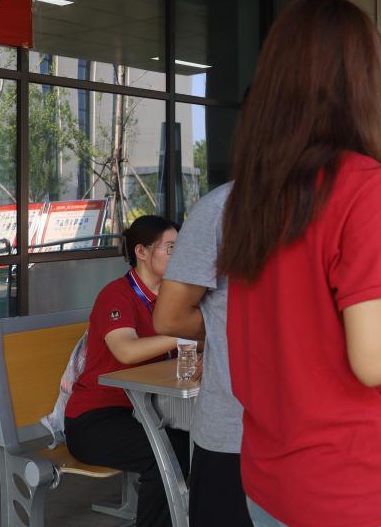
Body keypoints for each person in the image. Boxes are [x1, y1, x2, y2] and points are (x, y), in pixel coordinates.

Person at [218, 0, 381, 527]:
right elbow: (374, 362)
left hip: (270, 477)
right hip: (357, 483)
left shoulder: (250, 197)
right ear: (359, 84)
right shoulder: (365, 187)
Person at [65, 215, 189, 527]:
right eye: (170, 248)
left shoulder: (171, 295)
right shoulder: (117, 294)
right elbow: (126, 350)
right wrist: (183, 335)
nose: (179, 256)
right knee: (170, 453)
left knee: (197, 441)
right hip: (96, 419)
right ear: (141, 252)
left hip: (147, 409)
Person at [154, 182, 251, 527]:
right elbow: (169, 318)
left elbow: (169, 318)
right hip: (235, 432)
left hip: (241, 431)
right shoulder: (224, 208)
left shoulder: (224, 207)